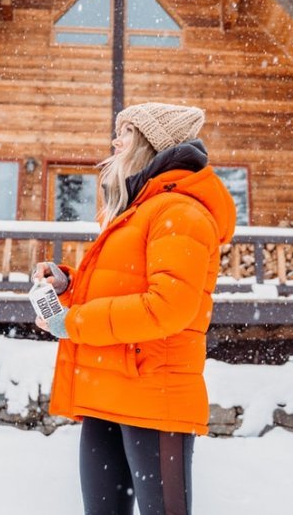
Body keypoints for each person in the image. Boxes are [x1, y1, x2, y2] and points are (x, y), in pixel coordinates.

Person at [34, 102, 236, 515]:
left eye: (125, 131)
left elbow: (167, 308)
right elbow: (123, 284)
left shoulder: (181, 212)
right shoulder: (137, 210)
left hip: (155, 396)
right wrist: (70, 285)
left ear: (149, 143)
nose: (115, 140)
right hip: (110, 390)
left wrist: (72, 322)